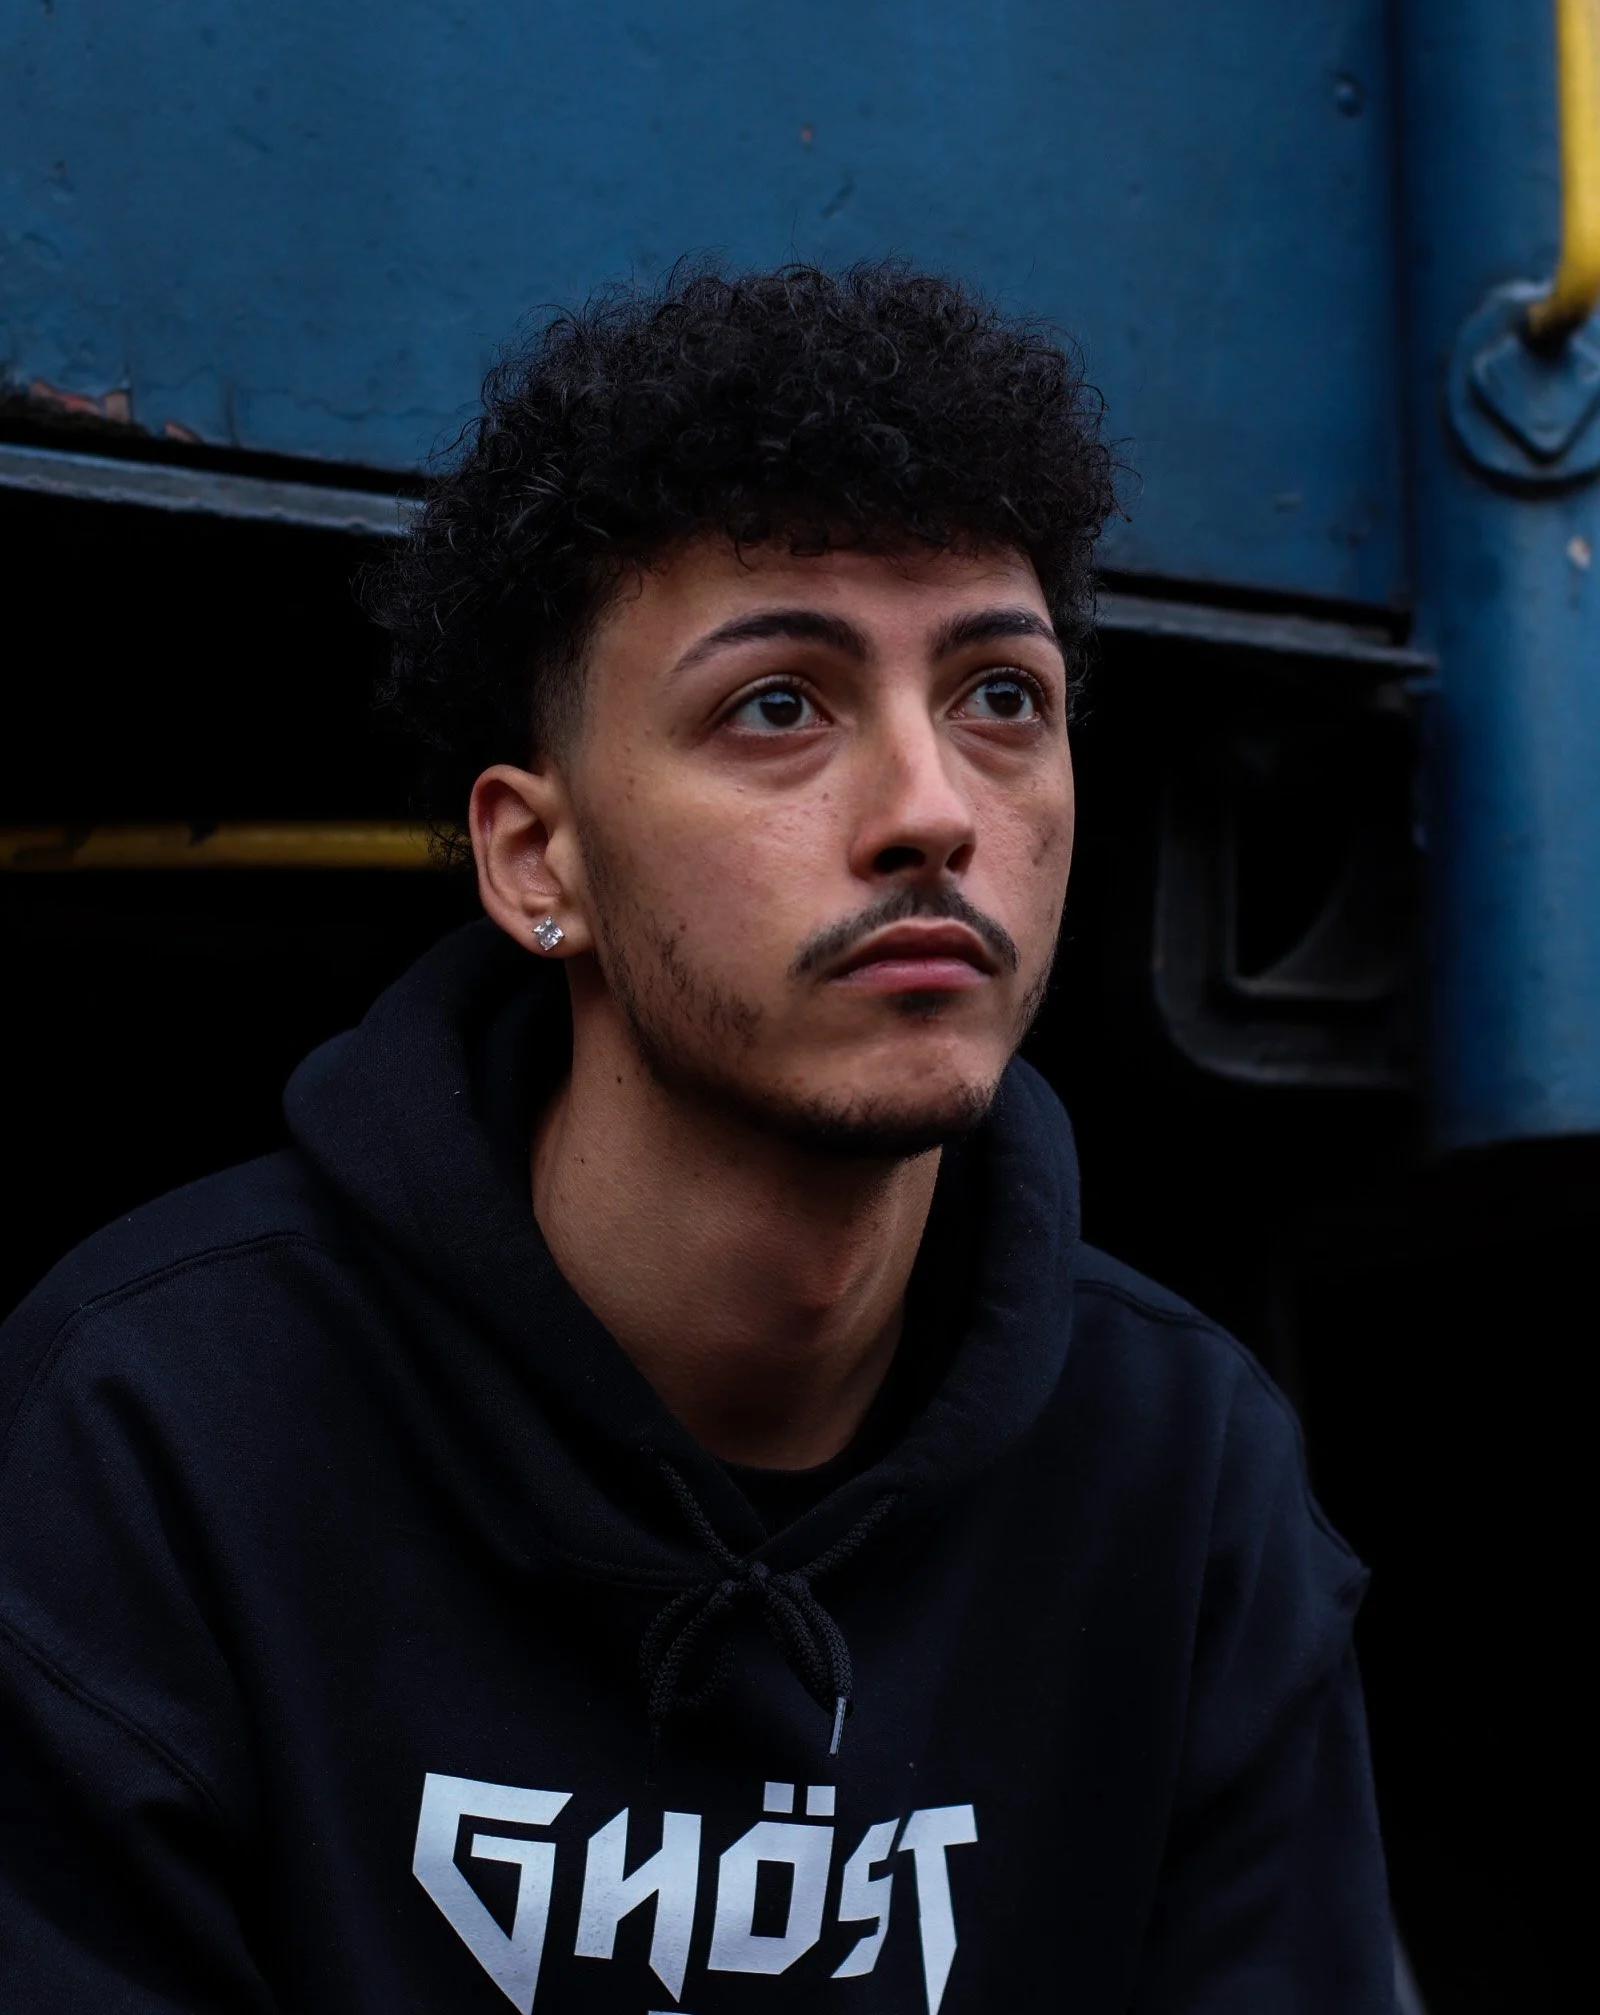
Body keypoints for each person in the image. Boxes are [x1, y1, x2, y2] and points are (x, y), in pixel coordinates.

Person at [0, 263, 1393, 2011]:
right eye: (779, 706)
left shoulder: (1179, 1474)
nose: (933, 812)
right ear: (538, 860)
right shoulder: (153, 1435)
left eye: (1001, 698)